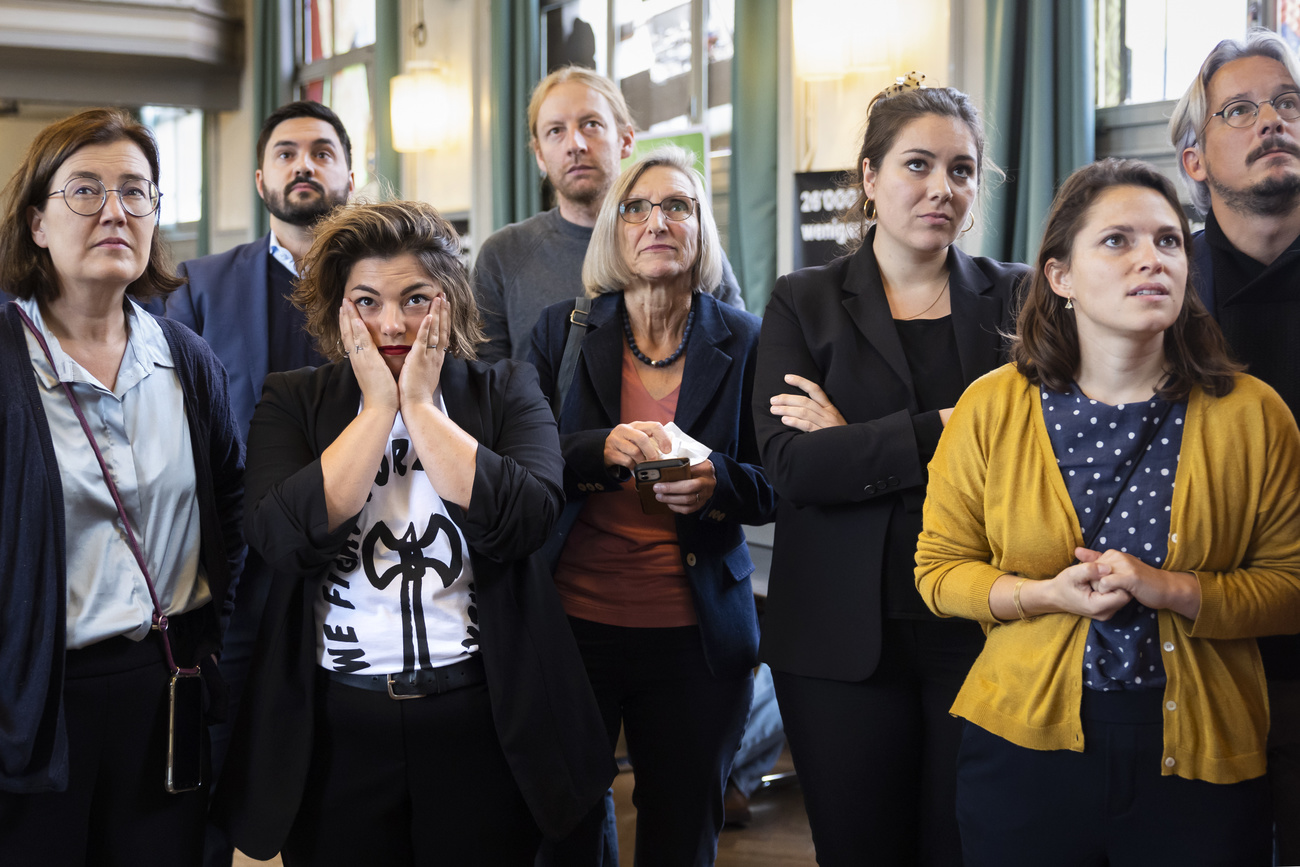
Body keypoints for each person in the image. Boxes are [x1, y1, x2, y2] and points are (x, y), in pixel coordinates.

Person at [915, 157, 1300, 866]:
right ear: (1059, 275)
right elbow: (939, 572)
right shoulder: (990, 408)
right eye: (1118, 240)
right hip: (1023, 751)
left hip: (1200, 756)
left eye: (1169, 241)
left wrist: (1171, 588)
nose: (1151, 259)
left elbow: (1291, 587)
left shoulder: (1254, 415)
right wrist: (1040, 595)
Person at [211, 201, 613, 866]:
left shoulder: (506, 388)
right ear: (339, 310)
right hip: (338, 727)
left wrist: (421, 408)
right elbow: (282, 536)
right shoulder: (293, 399)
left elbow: (528, 521)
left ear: (448, 302)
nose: (392, 323)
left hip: (482, 718)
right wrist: (377, 409)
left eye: (416, 299)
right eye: (366, 301)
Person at [751, 75, 1028, 866]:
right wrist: (944, 427)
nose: (943, 187)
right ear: (869, 178)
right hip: (840, 637)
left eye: (963, 169)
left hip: (984, 627)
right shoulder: (802, 302)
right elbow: (794, 468)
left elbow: (1028, 460)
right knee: (859, 849)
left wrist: (859, 439)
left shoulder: (1015, 298)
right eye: (918, 165)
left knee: (967, 845)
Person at [0, 109, 245, 864]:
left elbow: (230, 515)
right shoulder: (7, 359)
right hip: (37, 694)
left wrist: (213, 654)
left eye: (137, 192)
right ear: (37, 222)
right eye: (86, 190)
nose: (115, 210)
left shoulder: (185, 355)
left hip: (165, 681)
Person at [530, 145, 776, 866]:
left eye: (678, 206)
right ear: (614, 229)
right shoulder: (563, 330)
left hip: (695, 639)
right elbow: (521, 461)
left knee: (681, 832)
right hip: (573, 627)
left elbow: (775, 483)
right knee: (565, 829)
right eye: (636, 207)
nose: (656, 220)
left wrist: (716, 483)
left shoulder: (746, 337)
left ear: (701, 229)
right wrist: (596, 450)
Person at [163, 98, 354, 867]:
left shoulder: (383, 283)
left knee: (344, 760)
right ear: (260, 177)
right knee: (222, 752)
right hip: (241, 571)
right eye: (285, 153)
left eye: (319, 150)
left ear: (348, 171)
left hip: (359, 564)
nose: (302, 164)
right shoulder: (200, 288)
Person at [1169, 29, 1300, 862]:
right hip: (1207, 654)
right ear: (1195, 160)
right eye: (1241, 110)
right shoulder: (1161, 292)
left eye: (1287, 104)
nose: (1273, 123)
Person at [473, 65, 743, 363]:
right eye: (555, 131)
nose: (575, 144)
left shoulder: (677, 240)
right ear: (539, 153)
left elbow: (737, 348)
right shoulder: (504, 254)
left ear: (626, 139)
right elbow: (486, 388)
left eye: (591, 124)